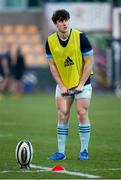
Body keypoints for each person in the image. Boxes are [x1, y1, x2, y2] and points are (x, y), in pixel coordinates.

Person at [45, 9, 94, 160]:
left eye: (66, 19)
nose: (64, 23)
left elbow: (89, 62)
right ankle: (61, 153)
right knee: (62, 115)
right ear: (55, 23)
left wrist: (80, 84)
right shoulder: (50, 41)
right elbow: (52, 66)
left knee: (81, 113)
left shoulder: (80, 37)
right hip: (64, 85)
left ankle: (84, 151)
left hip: (83, 83)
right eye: (61, 20)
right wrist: (61, 85)